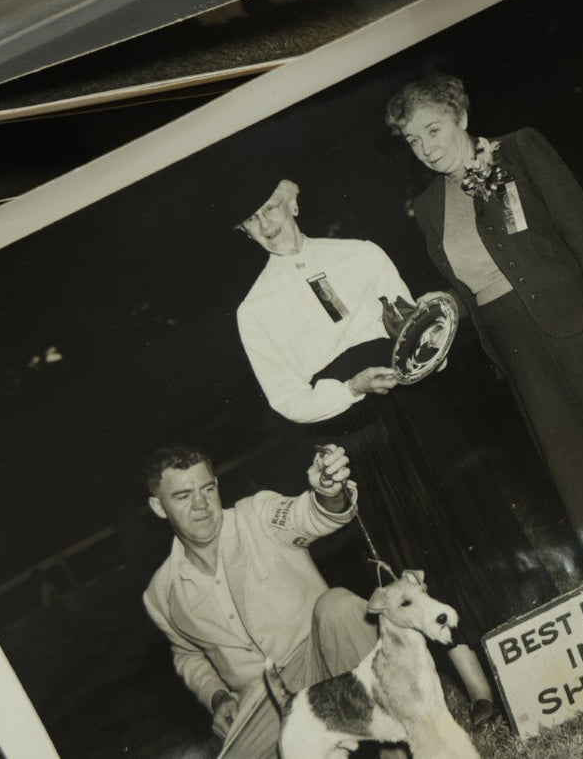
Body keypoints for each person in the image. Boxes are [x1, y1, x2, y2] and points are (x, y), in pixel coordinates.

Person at [233, 178, 553, 730]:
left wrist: (429, 353)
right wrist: (351, 388)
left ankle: (533, 638)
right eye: (249, 222)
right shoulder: (253, 310)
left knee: (468, 509)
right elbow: (287, 397)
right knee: (410, 546)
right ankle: (476, 683)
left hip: (413, 398)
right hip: (352, 426)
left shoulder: (360, 253)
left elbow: (414, 323)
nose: (265, 227)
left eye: (268, 210)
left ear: (292, 201)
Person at [387, 75, 583, 568]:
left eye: (433, 130)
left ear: (461, 116)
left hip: (578, 325)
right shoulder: (427, 208)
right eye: (413, 141)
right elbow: (468, 290)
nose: (425, 149)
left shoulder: (520, 150)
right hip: (515, 348)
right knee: (577, 470)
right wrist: (434, 326)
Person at [142, 444, 377, 759]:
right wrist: (217, 696)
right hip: (263, 699)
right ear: (159, 507)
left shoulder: (257, 515)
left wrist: (327, 493)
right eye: (183, 496)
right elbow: (189, 656)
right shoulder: (160, 594)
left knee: (338, 606)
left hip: (321, 655)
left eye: (207, 489)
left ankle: (395, 738)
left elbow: (309, 516)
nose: (201, 504)